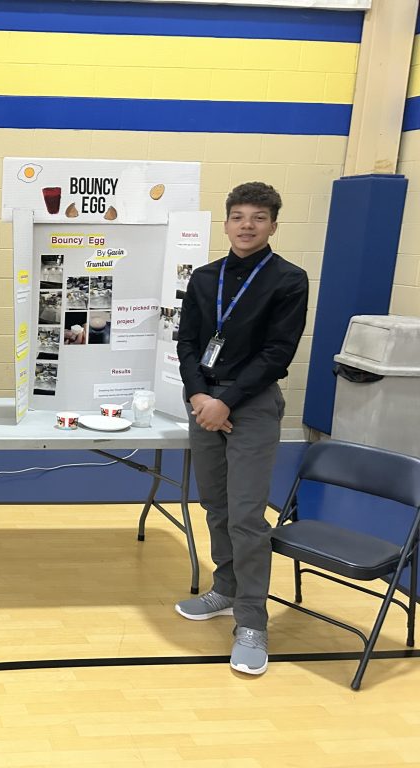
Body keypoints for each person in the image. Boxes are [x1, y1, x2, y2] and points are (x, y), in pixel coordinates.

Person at [173, 182, 308, 676]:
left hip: (248, 404)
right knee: (216, 505)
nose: (246, 225)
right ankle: (227, 588)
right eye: (238, 217)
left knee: (247, 517)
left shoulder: (288, 279)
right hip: (203, 401)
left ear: (273, 224)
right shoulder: (205, 278)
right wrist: (199, 396)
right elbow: (187, 343)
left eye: (258, 217)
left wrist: (225, 401)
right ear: (226, 223)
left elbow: (277, 354)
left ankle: (252, 621)